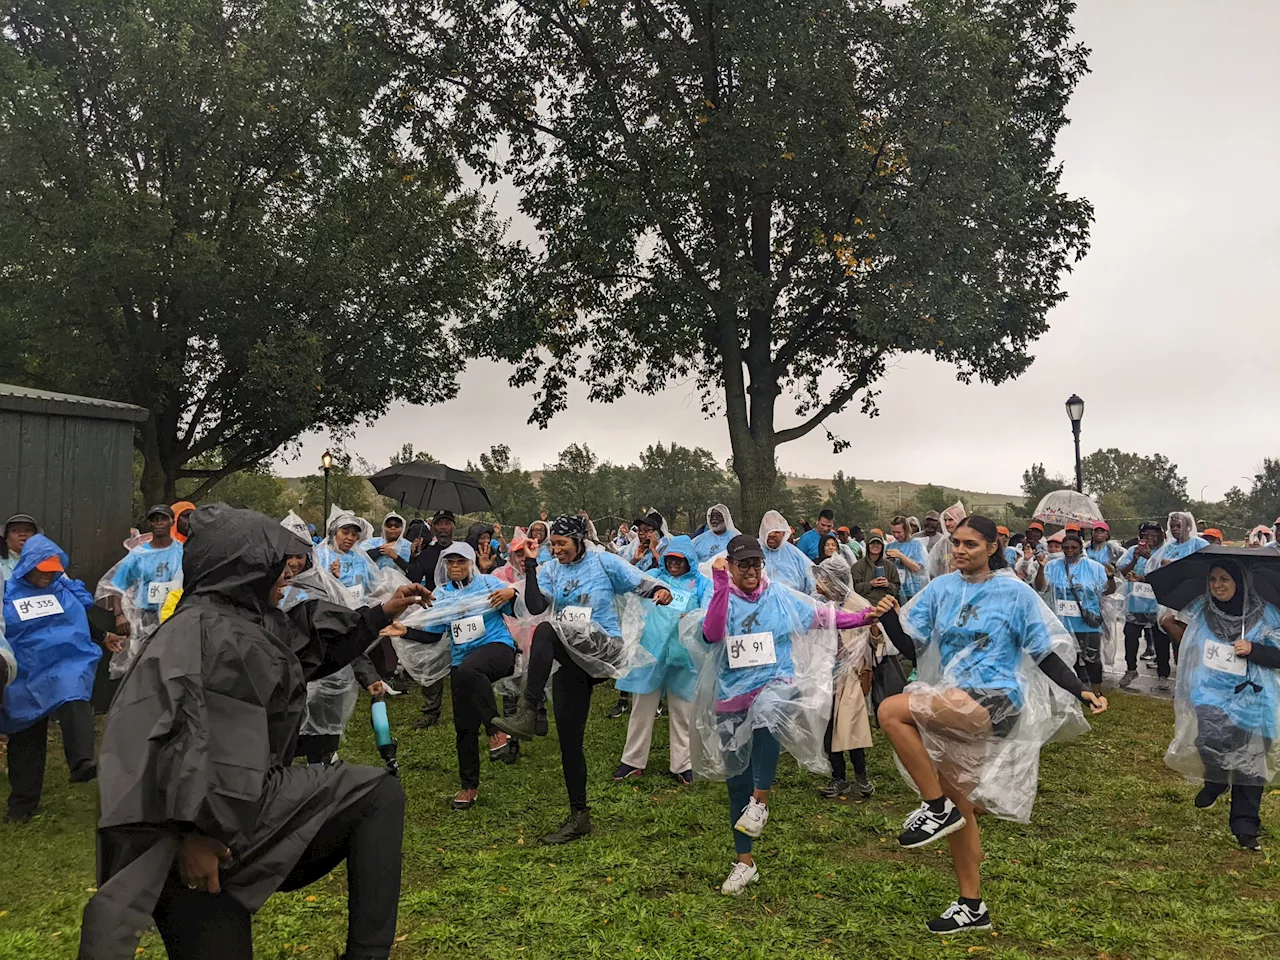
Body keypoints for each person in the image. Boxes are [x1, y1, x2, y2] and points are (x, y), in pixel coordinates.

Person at [79, 505, 431, 960]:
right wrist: (198, 835)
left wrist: (380, 611)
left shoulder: (229, 621)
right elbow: (199, 742)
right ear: (242, 567)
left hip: (206, 826)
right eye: (276, 566)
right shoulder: (210, 634)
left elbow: (300, 649)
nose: (287, 575)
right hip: (194, 833)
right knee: (376, 793)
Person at [876, 515, 1107, 934]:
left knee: (891, 711)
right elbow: (913, 646)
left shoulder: (1014, 592)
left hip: (995, 701)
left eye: (970, 544)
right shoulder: (941, 588)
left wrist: (1081, 688)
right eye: (956, 544)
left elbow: (1044, 652)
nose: (960, 551)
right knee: (962, 807)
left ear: (991, 548)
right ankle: (972, 905)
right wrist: (890, 617)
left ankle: (933, 808)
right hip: (953, 696)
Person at [699, 536, 888, 895]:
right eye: (744, 565)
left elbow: (821, 617)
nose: (752, 571)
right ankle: (744, 862)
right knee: (735, 781)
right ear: (732, 566)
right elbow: (711, 633)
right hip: (732, 694)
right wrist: (722, 585)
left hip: (774, 682)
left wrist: (863, 616)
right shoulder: (720, 592)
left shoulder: (780, 596)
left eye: (757, 564)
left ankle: (762, 800)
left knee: (770, 713)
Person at [492, 515, 673, 844]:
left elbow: (641, 581)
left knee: (547, 630)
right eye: (554, 544)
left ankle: (530, 711)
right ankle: (579, 817)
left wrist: (661, 590)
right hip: (573, 660)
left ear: (579, 541)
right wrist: (532, 566)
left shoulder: (604, 562)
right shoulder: (552, 568)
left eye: (563, 544)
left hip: (604, 648)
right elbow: (535, 605)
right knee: (569, 741)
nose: (557, 549)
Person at [384, 542, 520, 810]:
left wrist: (511, 594)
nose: (455, 567)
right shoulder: (442, 595)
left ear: (471, 563)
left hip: (497, 649)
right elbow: (433, 633)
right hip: (462, 659)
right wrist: (405, 631)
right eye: (450, 562)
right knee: (463, 725)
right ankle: (469, 787)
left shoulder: (488, 585)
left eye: (461, 561)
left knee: (471, 669)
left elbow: (517, 611)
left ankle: (497, 730)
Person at [1161, 561, 1280, 851]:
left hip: (1255, 699)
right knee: (1209, 739)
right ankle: (1216, 779)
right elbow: (1188, 642)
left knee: (1251, 765)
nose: (1218, 585)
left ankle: (1245, 827)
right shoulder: (1203, 610)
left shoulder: (1267, 615)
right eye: (1212, 579)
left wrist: (1255, 650)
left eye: (1225, 579)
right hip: (1211, 694)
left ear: (1240, 582)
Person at [2, 534, 118, 822]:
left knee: (73, 692)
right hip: (27, 671)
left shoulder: (62, 589)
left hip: (65, 660)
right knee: (26, 734)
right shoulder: (7, 592)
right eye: (42, 569)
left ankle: (81, 761)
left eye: (53, 569)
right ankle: (22, 806)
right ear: (27, 565)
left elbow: (83, 612)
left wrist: (101, 636)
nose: (47, 575)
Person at [613, 535, 709, 784]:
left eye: (680, 560)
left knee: (682, 712)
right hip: (650, 653)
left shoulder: (701, 584)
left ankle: (683, 764)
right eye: (670, 559)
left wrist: (694, 619)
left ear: (690, 560)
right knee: (641, 709)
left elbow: (709, 612)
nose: (674, 564)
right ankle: (632, 761)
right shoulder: (655, 576)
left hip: (683, 656)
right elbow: (630, 583)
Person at [814, 556, 880, 801]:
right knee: (828, 726)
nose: (821, 584)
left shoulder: (856, 604)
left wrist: (872, 632)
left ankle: (861, 774)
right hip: (825, 672)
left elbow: (876, 640)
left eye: (825, 579)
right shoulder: (819, 604)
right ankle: (838, 776)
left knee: (852, 725)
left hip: (851, 674)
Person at [101, 504, 185, 677]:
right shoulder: (138, 555)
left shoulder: (182, 551)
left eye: (163, 519)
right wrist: (119, 615)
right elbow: (116, 586)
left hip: (176, 616)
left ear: (172, 522)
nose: (159, 523)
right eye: (155, 519)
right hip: (145, 617)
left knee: (172, 665)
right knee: (142, 667)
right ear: (150, 524)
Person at [1040, 531, 1115, 696]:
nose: (1069, 550)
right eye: (1065, 547)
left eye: (1074, 547)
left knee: (1091, 659)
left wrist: (1110, 578)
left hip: (1087, 621)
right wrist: (1040, 567)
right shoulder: (1052, 566)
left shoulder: (1093, 567)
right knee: (1065, 659)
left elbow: (1108, 591)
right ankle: (1073, 692)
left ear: (1081, 548)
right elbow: (1041, 588)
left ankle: (1097, 693)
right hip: (1062, 622)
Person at [405, 510, 457, 728]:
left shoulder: (462, 551)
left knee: (461, 662)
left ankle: (467, 707)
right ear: (433, 528)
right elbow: (413, 578)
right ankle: (430, 711)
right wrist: (414, 557)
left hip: (460, 610)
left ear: (453, 527)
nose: (443, 527)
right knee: (431, 658)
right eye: (439, 524)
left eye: (447, 523)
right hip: (434, 609)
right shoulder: (427, 552)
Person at [1117, 522, 1171, 688]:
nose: (1149, 539)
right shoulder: (1133, 550)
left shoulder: (1165, 551)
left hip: (1157, 605)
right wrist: (1134, 560)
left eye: (1154, 535)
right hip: (1135, 604)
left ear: (1161, 536)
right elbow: (1123, 571)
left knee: (1161, 640)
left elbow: (1167, 574)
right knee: (1131, 636)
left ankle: (1163, 674)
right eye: (1146, 535)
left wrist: (1150, 557)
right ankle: (1131, 669)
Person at [758, 510, 816, 593]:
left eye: (776, 531)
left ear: (783, 533)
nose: (771, 535)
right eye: (768, 530)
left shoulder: (794, 554)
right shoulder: (753, 550)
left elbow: (813, 580)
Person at [851, 533, 901, 606]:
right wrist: (870, 584)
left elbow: (896, 588)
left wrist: (888, 585)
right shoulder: (857, 566)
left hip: (886, 605)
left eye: (878, 543)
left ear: (882, 546)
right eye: (872, 543)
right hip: (865, 607)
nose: (875, 545)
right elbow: (854, 588)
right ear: (868, 545)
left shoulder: (890, 566)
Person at [886, 515, 929, 601]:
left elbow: (917, 568)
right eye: (893, 532)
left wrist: (901, 556)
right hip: (895, 589)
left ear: (906, 530)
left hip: (913, 591)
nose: (896, 535)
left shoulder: (917, 545)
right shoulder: (890, 546)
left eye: (899, 532)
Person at [925, 503, 968, 578]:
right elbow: (931, 568)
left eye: (951, 519)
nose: (947, 523)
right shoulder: (942, 544)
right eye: (945, 520)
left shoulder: (971, 542)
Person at [1, 513, 39, 583]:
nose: (22, 534)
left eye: (28, 530)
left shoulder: (47, 560)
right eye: (15, 530)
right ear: (6, 538)